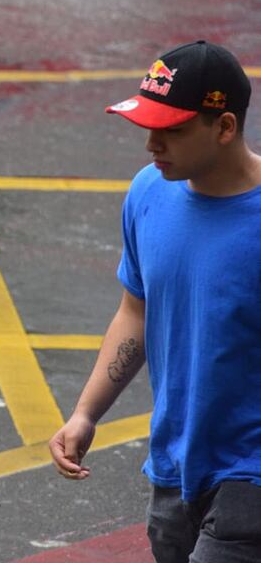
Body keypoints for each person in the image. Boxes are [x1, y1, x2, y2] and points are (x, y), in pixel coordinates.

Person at [48, 41, 261, 563]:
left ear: (225, 127)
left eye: (172, 131)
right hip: (173, 468)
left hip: (249, 478)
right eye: (147, 126)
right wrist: (85, 414)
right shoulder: (148, 192)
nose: (151, 144)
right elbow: (136, 311)